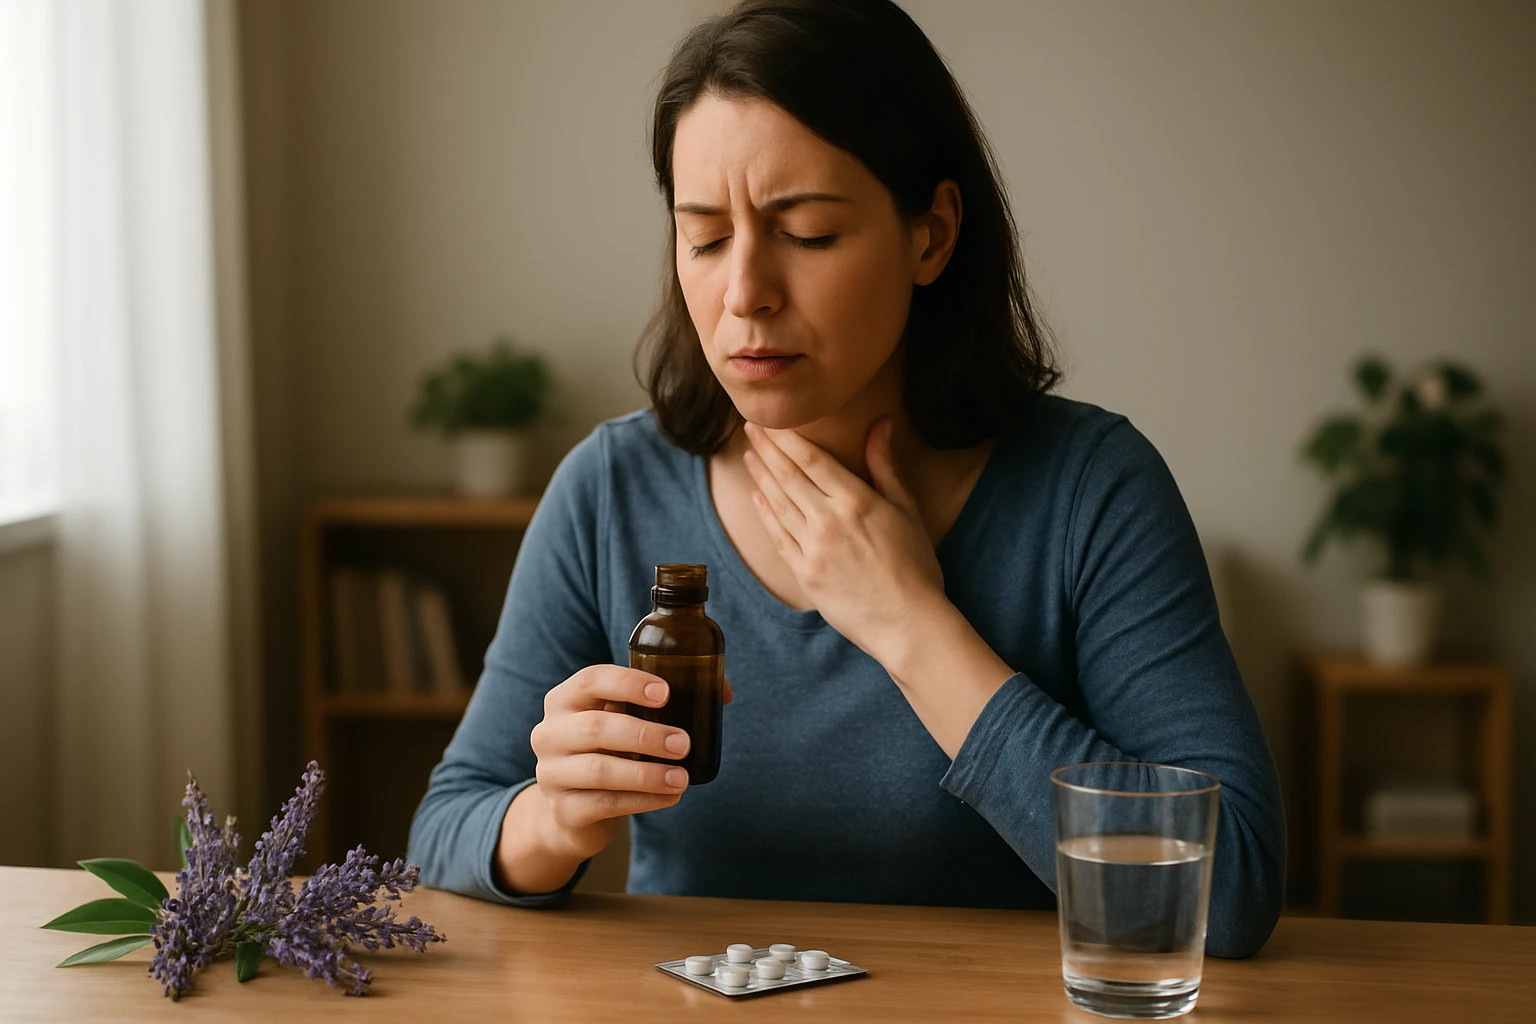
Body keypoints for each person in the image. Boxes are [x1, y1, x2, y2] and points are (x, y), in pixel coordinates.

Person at [409, 0, 1284, 959]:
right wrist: (551, 818)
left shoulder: (1092, 490)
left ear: (932, 235)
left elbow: (1231, 886)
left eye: (809, 233)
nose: (745, 293)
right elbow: (445, 826)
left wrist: (911, 625)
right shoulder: (610, 490)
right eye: (705, 237)